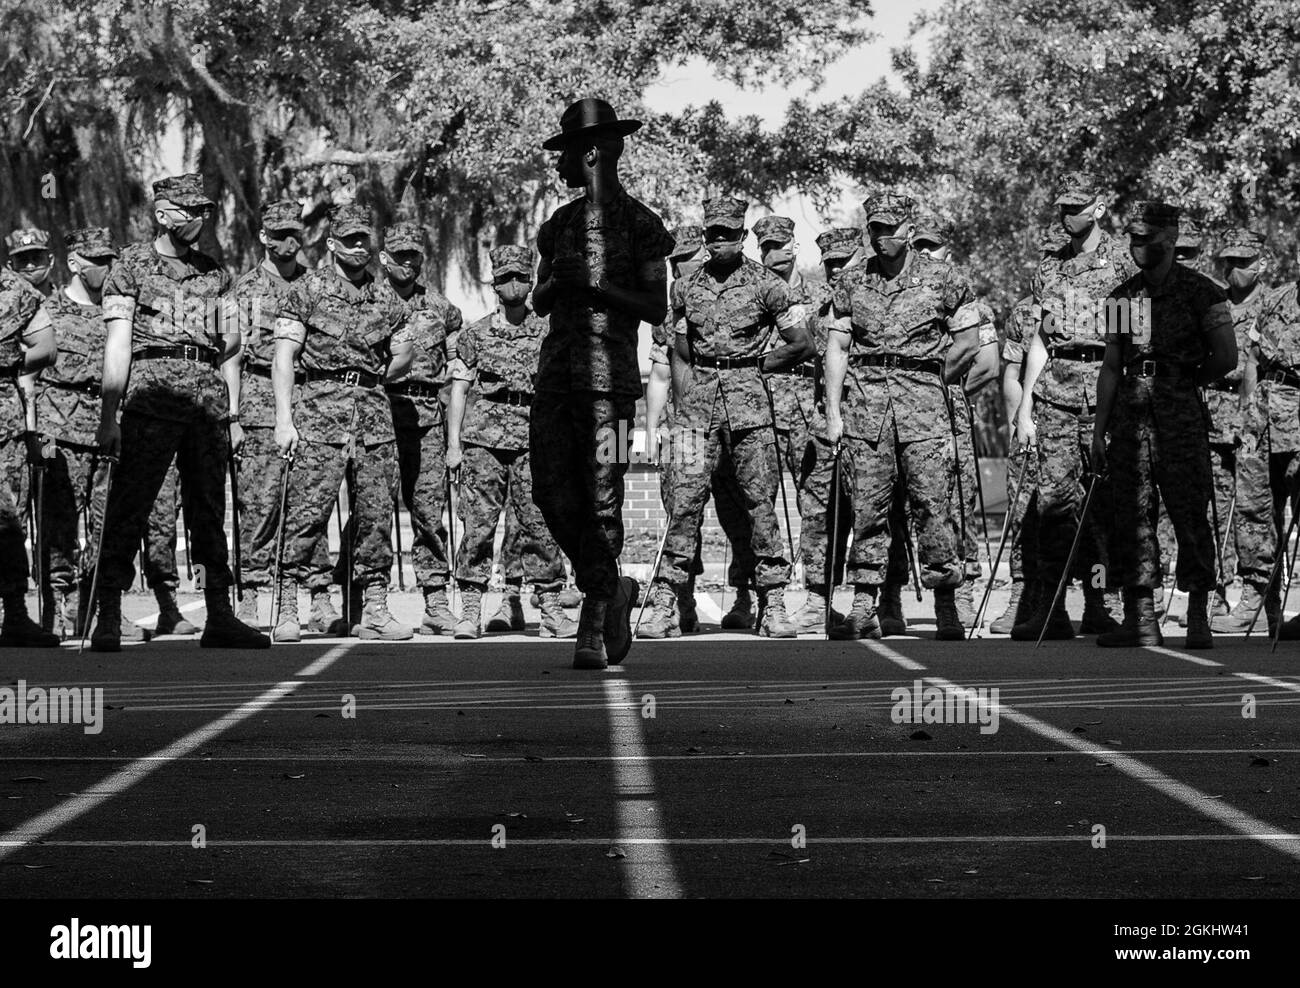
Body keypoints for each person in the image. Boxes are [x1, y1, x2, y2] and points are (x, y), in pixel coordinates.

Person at [92, 172, 269, 651]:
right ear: (162, 213)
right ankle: (107, 611)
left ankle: (220, 614)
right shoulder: (130, 266)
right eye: (188, 210)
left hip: (206, 405)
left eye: (203, 210)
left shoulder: (216, 273)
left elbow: (230, 348)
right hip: (151, 398)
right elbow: (118, 344)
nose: (198, 219)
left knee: (209, 510)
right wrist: (110, 416)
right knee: (130, 505)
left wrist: (231, 416)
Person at [530, 97, 675, 669]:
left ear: (591, 152)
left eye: (566, 154)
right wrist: (558, 284)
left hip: (610, 383)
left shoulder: (642, 225)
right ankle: (611, 588)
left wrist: (593, 284)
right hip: (556, 375)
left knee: (602, 499)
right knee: (548, 490)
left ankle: (593, 617)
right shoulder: (557, 225)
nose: (559, 165)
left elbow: (655, 307)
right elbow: (540, 300)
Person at [638, 197, 814, 639]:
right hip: (697, 414)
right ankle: (668, 601)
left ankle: (772, 600)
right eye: (713, 234)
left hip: (751, 411)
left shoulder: (767, 284)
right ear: (705, 236)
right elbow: (679, 349)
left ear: (741, 236)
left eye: (728, 234)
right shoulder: (684, 288)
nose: (720, 242)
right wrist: (683, 401)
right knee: (684, 504)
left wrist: (755, 368)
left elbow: (801, 344)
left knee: (759, 506)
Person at [824, 192, 980, 640]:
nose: (881, 237)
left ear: (909, 231)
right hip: (867, 409)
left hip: (925, 410)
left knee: (934, 506)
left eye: (890, 229)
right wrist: (834, 412)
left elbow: (968, 341)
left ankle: (947, 601)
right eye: (874, 228)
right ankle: (863, 604)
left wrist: (933, 378)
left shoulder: (943, 277)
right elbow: (837, 346)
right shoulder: (852, 282)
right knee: (868, 510)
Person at [1091, 201, 1237, 648]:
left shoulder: (1203, 293)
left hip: (1180, 416)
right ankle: (1141, 619)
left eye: (1147, 239)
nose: (1138, 247)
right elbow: (1112, 366)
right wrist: (1099, 430)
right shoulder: (1120, 297)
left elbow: (1226, 357)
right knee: (1132, 516)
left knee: (1190, 512)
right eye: (1133, 238)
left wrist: (1183, 381)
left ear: (1170, 240)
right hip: (1131, 416)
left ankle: (1197, 618)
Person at [272, 202, 413, 641]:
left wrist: (369, 379)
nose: (358, 248)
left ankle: (374, 608)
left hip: (373, 418)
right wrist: (283, 419)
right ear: (332, 243)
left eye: (363, 241)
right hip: (318, 415)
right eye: (349, 240)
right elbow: (283, 358)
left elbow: (404, 354)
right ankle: (288, 609)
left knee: (375, 515)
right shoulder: (305, 290)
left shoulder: (386, 297)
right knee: (305, 514)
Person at [1014, 172, 1130, 640]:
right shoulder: (1050, 268)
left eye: (1077, 208)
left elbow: (1130, 340)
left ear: (1099, 209)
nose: (1067, 216)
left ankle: (1101, 604)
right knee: (1054, 506)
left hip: (1109, 387)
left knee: (1105, 507)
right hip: (1057, 395)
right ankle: (1052, 606)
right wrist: (1025, 408)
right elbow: (1040, 340)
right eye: (1062, 207)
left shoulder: (1123, 263)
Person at [447, 245, 575, 639]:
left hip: (535, 439)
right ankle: (470, 608)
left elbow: (564, 390)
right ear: (494, 285)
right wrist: (453, 446)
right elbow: (459, 390)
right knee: (479, 527)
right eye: (506, 279)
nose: (514, 285)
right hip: (483, 439)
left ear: (531, 281)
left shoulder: (550, 330)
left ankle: (551, 607)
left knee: (539, 525)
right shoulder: (474, 335)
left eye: (521, 277)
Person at [641, 224, 758, 637]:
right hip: (686, 429)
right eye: (674, 263)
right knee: (682, 513)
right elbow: (658, 374)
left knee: (740, 514)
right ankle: (679, 601)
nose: (678, 270)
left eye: (685, 261)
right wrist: (653, 427)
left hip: (734, 422)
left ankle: (748, 597)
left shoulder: (738, 301)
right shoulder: (671, 315)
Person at [228, 199, 338, 632]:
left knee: (311, 507)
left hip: (309, 404)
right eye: (279, 235)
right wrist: (232, 416)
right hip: (256, 404)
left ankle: (319, 597)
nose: (288, 243)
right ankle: (252, 594)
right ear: (263, 237)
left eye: (295, 234)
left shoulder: (317, 286)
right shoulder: (239, 290)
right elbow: (231, 356)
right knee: (259, 504)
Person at [377, 220, 462, 636]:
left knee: (429, 514)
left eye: (414, 255)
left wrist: (453, 436)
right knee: (371, 512)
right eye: (399, 255)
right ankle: (363, 602)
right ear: (384, 258)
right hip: (380, 412)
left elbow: (455, 375)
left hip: (427, 416)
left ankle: (435, 600)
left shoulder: (443, 310)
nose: (407, 262)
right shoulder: (370, 302)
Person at [0, 240, 58, 646]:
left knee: (6, 516)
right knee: (5, 517)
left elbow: (45, 347)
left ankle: (17, 614)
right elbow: (44, 346)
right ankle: (16, 615)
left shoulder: (16, 289)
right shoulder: (17, 289)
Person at [1241, 238, 1300, 638]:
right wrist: (1246, 412)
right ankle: (1263, 603)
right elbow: (1251, 359)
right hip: (1263, 418)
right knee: (1257, 512)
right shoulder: (1276, 300)